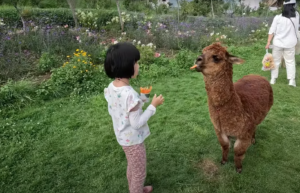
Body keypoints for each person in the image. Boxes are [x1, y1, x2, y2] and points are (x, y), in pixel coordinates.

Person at [104, 42, 164, 193]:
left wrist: (142, 99)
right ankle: (136, 190)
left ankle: (136, 189)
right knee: (139, 173)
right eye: (135, 62)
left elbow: (124, 108)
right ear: (126, 65)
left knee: (132, 166)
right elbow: (136, 123)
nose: (138, 65)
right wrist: (153, 106)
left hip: (122, 137)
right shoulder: (129, 94)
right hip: (133, 141)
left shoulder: (113, 87)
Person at [265, 0, 299, 87]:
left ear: (284, 7)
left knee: (275, 61)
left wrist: (268, 42)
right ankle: (291, 81)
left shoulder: (278, 17)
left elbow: (272, 31)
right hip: (290, 43)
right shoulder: (297, 16)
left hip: (278, 43)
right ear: (293, 6)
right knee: (290, 61)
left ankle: (273, 79)